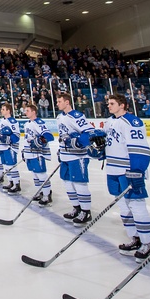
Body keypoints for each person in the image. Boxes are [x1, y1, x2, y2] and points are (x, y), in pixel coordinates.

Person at [102, 93, 150, 261]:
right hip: (113, 169)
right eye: (108, 103)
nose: (109, 106)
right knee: (124, 208)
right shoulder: (110, 122)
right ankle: (135, 238)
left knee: (137, 206)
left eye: (112, 103)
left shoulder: (132, 122)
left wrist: (137, 169)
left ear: (122, 105)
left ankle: (147, 241)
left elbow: (140, 148)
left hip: (128, 170)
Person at [55, 92, 95, 225]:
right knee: (67, 182)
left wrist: (76, 142)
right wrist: (60, 150)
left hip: (78, 156)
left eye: (59, 101)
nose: (57, 103)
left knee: (79, 183)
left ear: (67, 102)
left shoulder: (76, 116)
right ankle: (76, 208)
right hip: (65, 155)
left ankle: (86, 211)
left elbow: (89, 132)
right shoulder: (59, 117)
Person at [21, 103, 54, 206]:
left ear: (33, 112)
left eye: (27, 111)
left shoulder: (38, 122)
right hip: (29, 153)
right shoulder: (27, 124)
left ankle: (47, 195)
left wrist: (39, 141)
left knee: (41, 174)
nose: (25, 112)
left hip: (37, 154)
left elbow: (48, 136)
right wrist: (24, 151)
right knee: (35, 174)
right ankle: (40, 192)